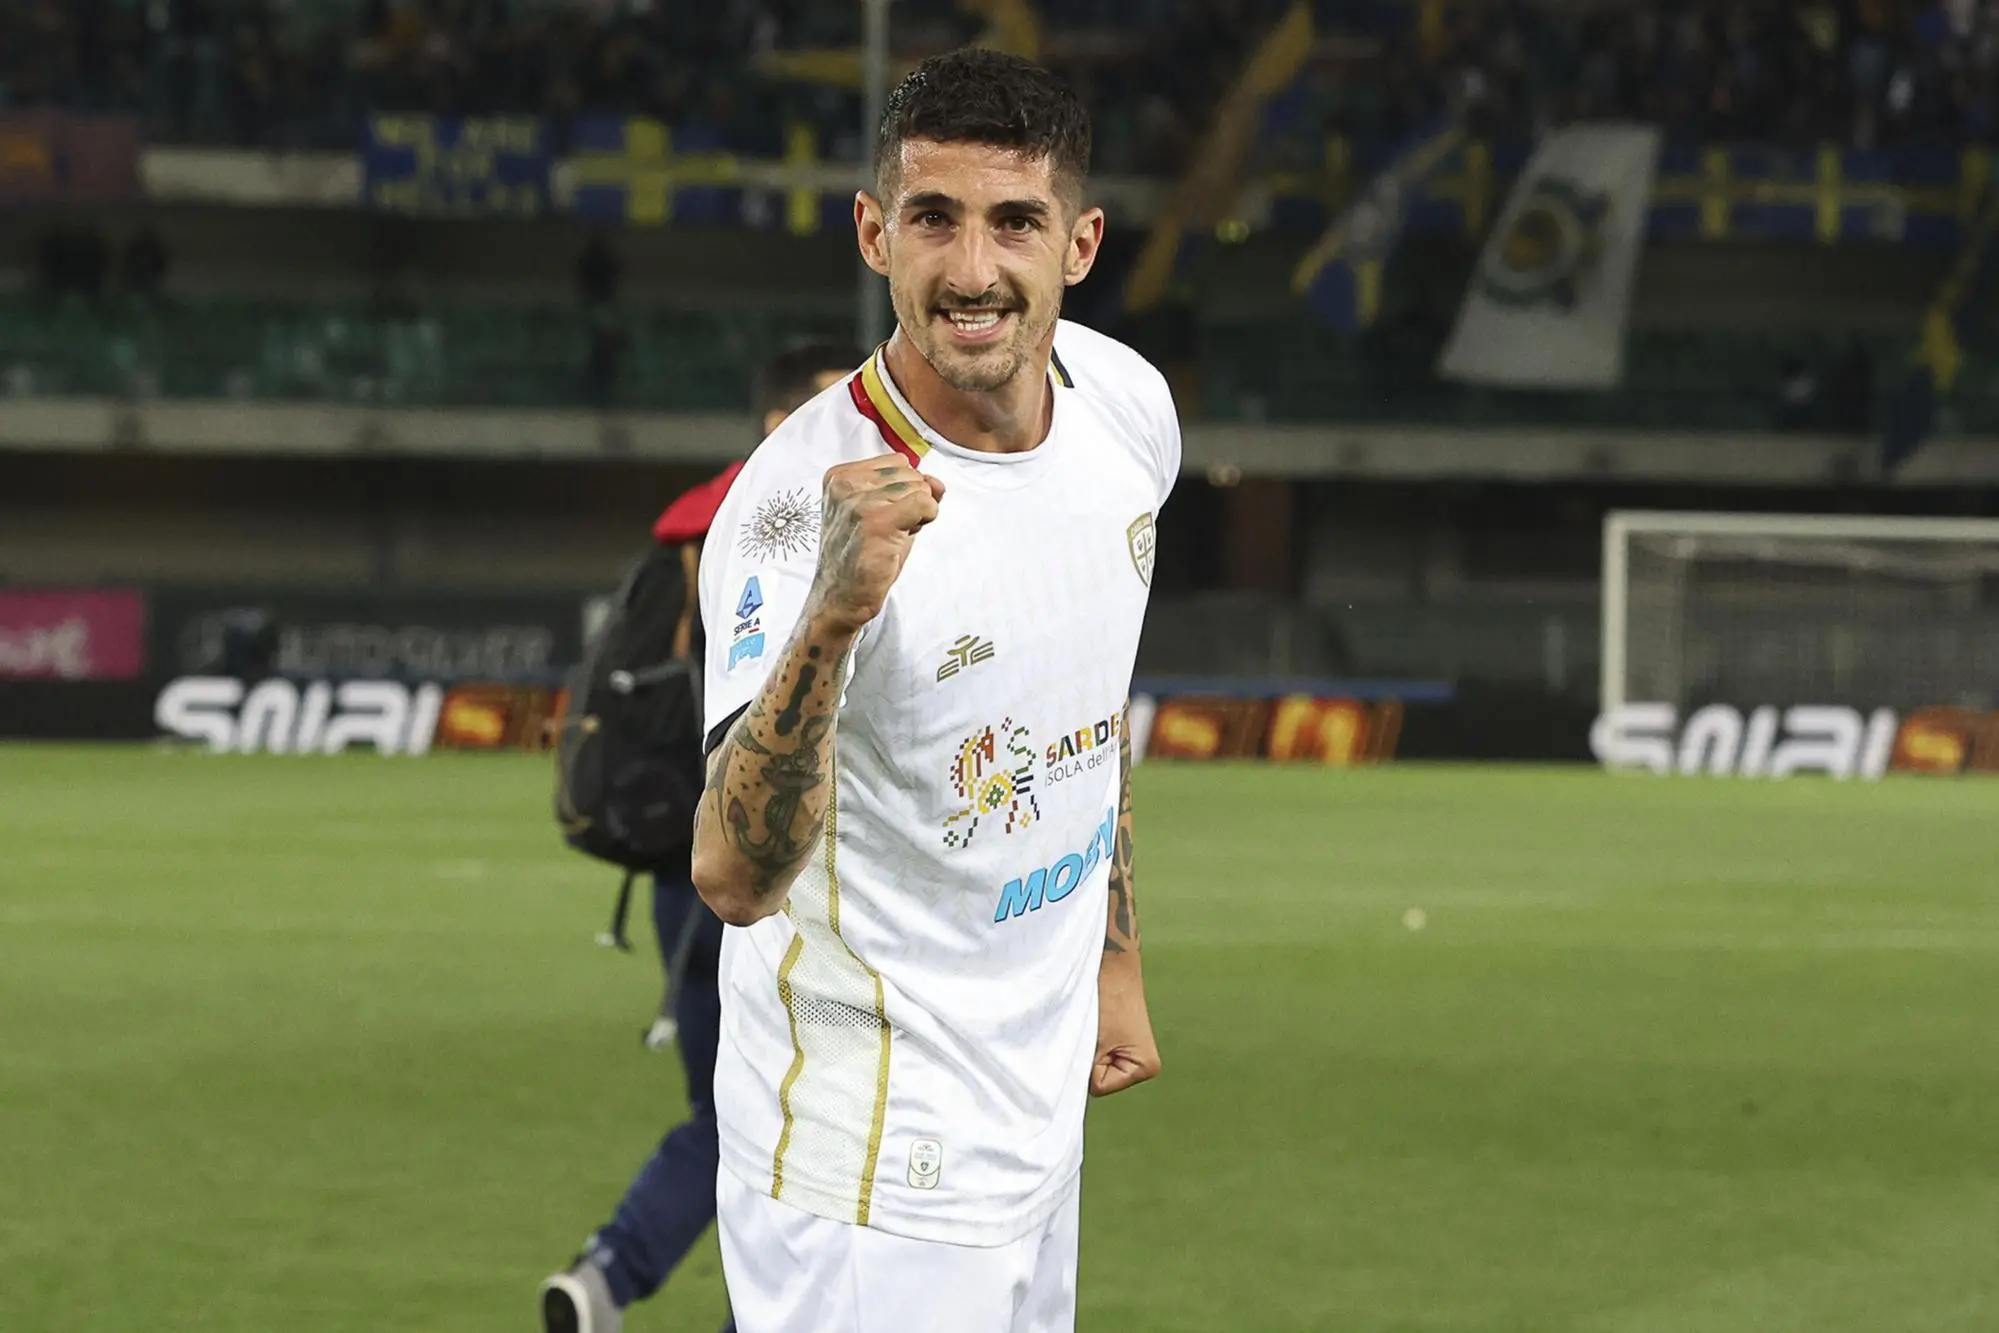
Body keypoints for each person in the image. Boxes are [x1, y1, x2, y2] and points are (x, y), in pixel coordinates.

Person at [692, 47, 1176, 1333]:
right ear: (873, 234)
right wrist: (831, 617)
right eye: (932, 219)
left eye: (1013, 221)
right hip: (869, 1160)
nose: (971, 270)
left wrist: (1114, 958)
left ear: (1079, 244)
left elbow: (1087, 711)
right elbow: (732, 877)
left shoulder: (1126, 410)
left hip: (1036, 1118)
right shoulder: (793, 513)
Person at [540, 342, 864, 1333]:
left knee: (739, 1118)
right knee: (808, 1131)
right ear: (778, 424)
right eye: (833, 410)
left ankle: (607, 1273)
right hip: (771, 869)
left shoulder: (687, 525)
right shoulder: (780, 524)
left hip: (683, 868)